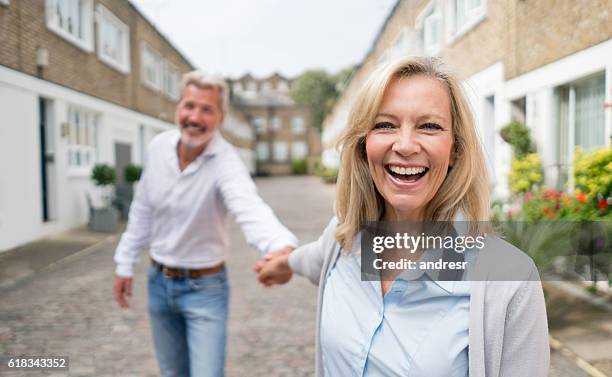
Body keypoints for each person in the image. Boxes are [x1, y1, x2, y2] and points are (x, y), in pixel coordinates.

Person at [256, 57, 550, 377]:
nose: (406, 145)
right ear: (363, 146)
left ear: (455, 150)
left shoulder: (508, 279)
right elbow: (312, 258)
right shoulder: (344, 239)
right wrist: (281, 263)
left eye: (429, 126)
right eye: (385, 125)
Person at [113, 70, 296, 377]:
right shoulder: (158, 148)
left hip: (205, 289)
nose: (194, 117)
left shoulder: (226, 162)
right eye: (189, 106)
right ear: (178, 108)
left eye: (206, 109)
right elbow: (142, 209)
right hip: (158, 282)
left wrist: (282, 248)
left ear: (221, 118)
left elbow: (250, 208)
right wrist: (124, 262)